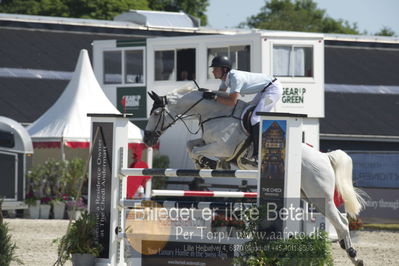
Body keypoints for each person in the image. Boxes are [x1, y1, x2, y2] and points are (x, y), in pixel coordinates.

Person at [204, 55, 283, 161]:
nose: (213, 71)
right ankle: (249, 146)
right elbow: (221, 95)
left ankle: (257, 154)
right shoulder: (225, 79)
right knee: (246, 112)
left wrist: (214, 97)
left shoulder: (235, 78)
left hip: (273, 89)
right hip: (264, 90)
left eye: (215, 69)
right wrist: (207, 92)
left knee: (255, 118)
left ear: (224, 69)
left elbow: (232, 102)